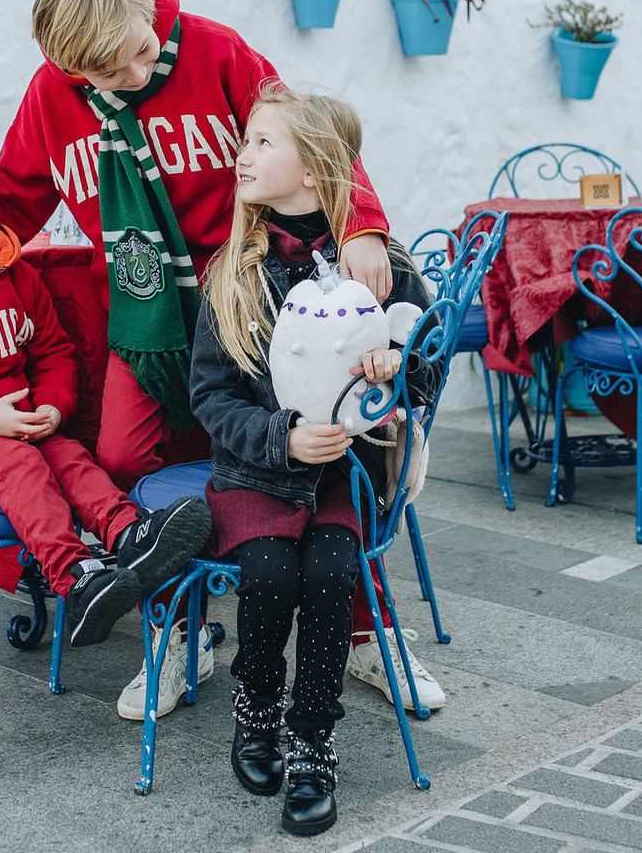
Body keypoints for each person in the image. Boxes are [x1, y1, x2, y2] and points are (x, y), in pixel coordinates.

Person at [0, 0, 444, 719]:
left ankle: (366, 632)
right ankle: (184, 626)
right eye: (106, 74)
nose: (133, 76)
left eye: (138, 53)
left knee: (331, 451)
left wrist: (363, 225)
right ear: (66, 66)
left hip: (254, 299)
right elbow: (16, 200)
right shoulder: (50, 97)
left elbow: (313, 141)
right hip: (147, 315)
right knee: (126, 457)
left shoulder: (216, 50)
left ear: (146, 4)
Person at [190, 83, 438, 837]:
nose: (244, 154)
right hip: (257, 473)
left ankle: (312, 738)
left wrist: (396, 368)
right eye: (247, 140)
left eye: (264, 142)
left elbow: (425, 361)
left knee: (331, 574)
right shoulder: (233, 270)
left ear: (316, 166)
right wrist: (281, 437)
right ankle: (256, 703)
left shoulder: (377, 266)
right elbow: (210, 395)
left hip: (344, 476)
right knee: (268, 575)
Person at [0, 136, 210, 647]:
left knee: (68, 453)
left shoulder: (19, 278)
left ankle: (130, 533)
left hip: (17, 425)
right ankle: (75, 577)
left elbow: (53, 352)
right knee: (18, 464)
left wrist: (53, 404)